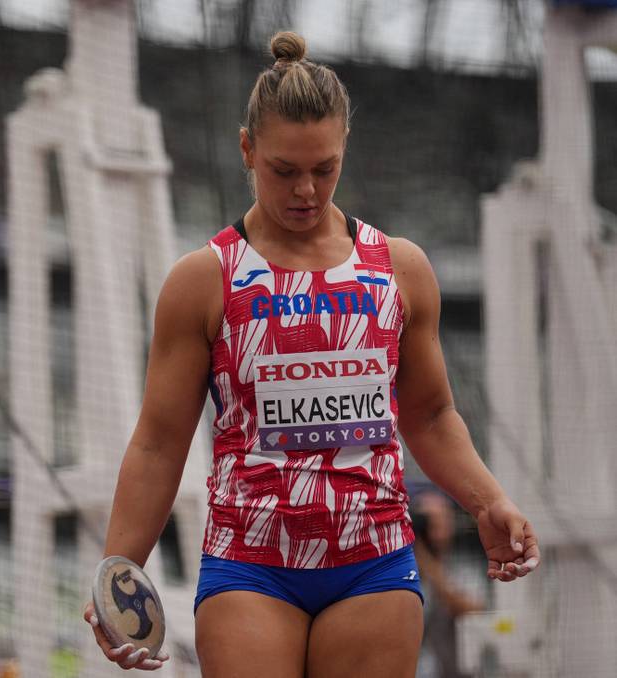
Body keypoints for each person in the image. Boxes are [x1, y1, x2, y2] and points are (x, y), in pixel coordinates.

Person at [84, 30, 540, 677]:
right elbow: (159, 441)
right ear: (247, 150)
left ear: (344, 150)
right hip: (250, 564)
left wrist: (489, 500)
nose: (306, 191)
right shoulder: (204, 279)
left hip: (373, 563)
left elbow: (432, 416)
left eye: (324, 169)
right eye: (284, 170)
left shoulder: (398, 270)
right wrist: (119, 574)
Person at [412, 491, 485, 678]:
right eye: (427, 522)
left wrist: (428, 564)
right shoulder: (404, 571)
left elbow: (474, 610)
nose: (433, 528)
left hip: (456, 670)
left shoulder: (464, 563)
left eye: (440, 520)